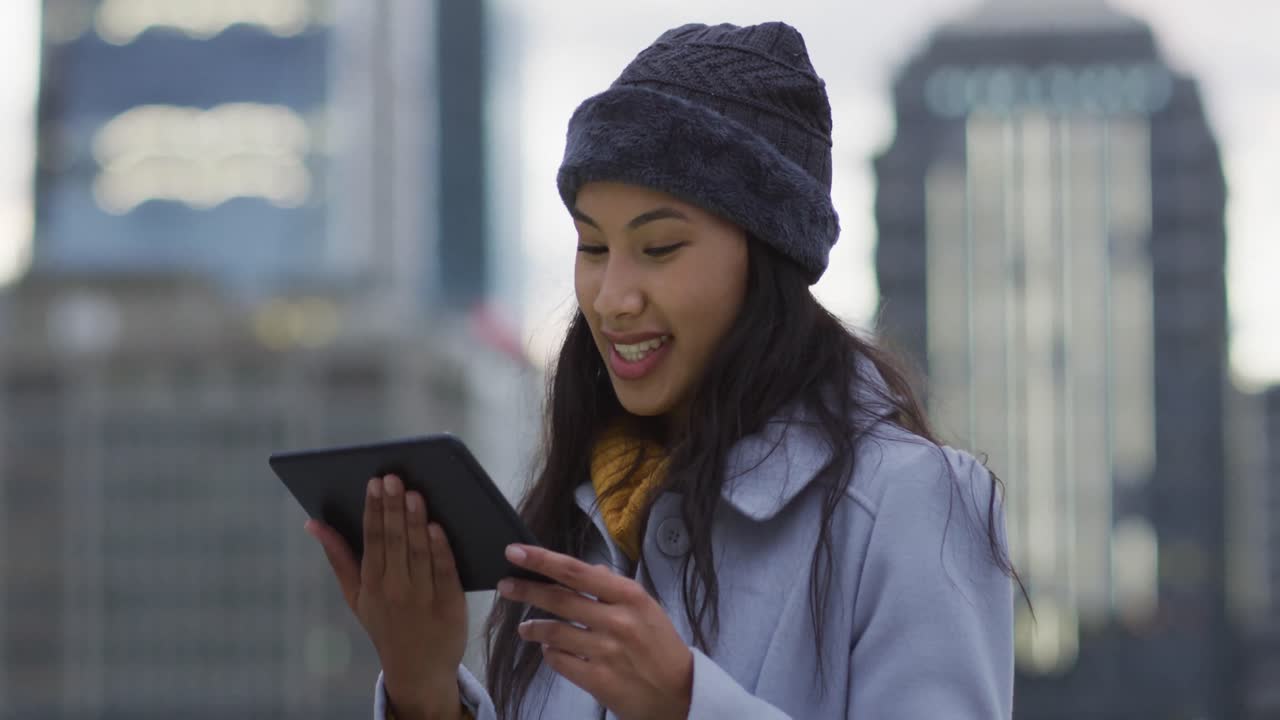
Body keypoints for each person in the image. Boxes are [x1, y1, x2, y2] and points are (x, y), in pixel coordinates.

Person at [306, 21, 1021, 720]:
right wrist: (424, 689)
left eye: (660, 248)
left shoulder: (911, 501)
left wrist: (684, 703)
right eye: (592, 246)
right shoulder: (577, 514)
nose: (612, 298)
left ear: (766, 256)